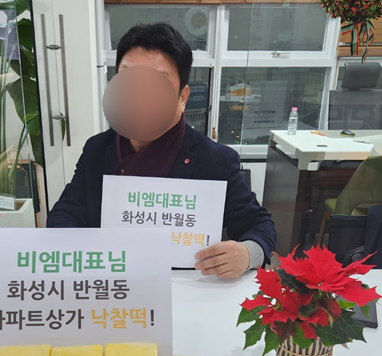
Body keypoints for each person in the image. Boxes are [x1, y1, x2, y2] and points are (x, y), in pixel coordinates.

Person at [47, 23, 276, 278]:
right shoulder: (97, 149)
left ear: (182, 98)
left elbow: (260, 225)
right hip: (110, 284)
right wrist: (70, 248)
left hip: (185, 292)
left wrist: (247, 253)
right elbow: (66, 212)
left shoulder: (216, 160)